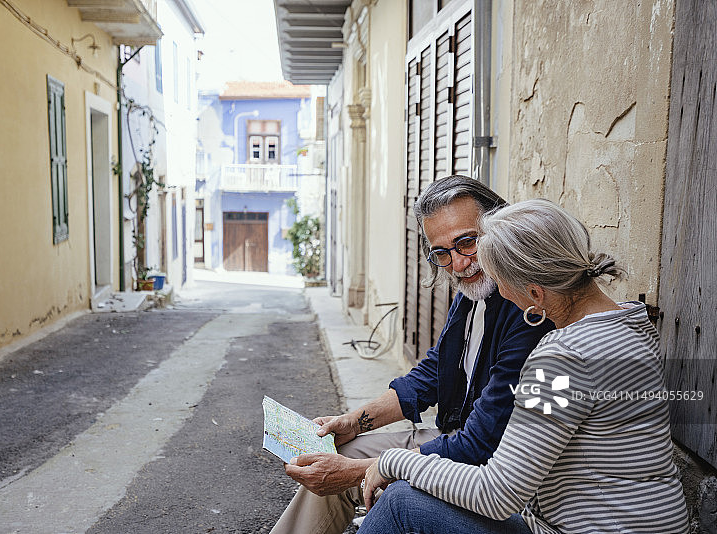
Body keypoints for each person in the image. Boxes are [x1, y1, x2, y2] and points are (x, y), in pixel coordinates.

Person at [360, 198, 689, 534]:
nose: (500, 294)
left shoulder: (564, 358)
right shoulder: (630, 320)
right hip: (654, 523)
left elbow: (496, 494)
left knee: (401, 501)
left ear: (534, 294)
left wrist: (393, 461)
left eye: (500, 284)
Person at [270, 176, 553, 534]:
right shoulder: (472, 293)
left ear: (499, 228)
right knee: (337, 456)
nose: (458, 264)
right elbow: (433, 373)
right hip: (456, 439)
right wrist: (353, 421)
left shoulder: (526, 308)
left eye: (467, 242)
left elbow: (482, 445)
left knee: (378, 488)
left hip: (487, 469)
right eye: (442, 253)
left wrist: (363, 470)